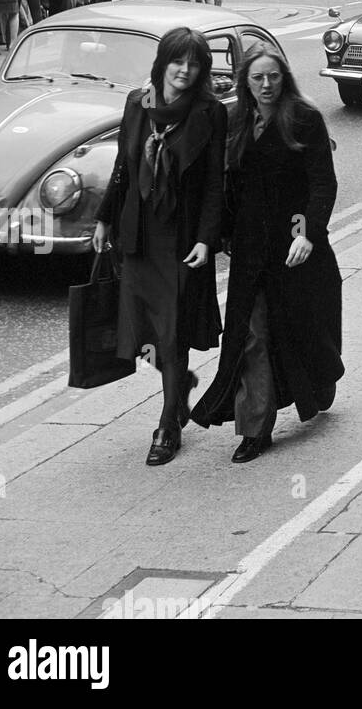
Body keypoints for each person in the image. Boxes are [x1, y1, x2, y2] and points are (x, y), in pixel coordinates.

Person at [191, 47, 342, 463]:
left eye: (273, 76)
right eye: (258, 78)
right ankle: (256, 429)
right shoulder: (236, 120)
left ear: (284, 77)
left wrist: (307, 233)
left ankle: (321, 376)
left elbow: (322, 184)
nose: (266, 85)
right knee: (252, 335)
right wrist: (219, 234)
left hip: (295, 247)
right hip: (249, 250)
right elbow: (224, 185)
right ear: (245, 82)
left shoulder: (304, 118)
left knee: (303, 327)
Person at [92, 28, 225, 466]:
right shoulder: (137, 104)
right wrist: (104, 216)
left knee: (171, 333)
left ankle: (168, 427)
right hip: (138, 233)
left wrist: (208, 238)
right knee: (140, 332)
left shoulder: (209, 112)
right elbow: (121, 167)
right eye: (178, 61)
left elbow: (213, 184)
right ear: (163, 63)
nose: (185, 70)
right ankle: (181, 382)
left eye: (194, 64)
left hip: (181, 239)